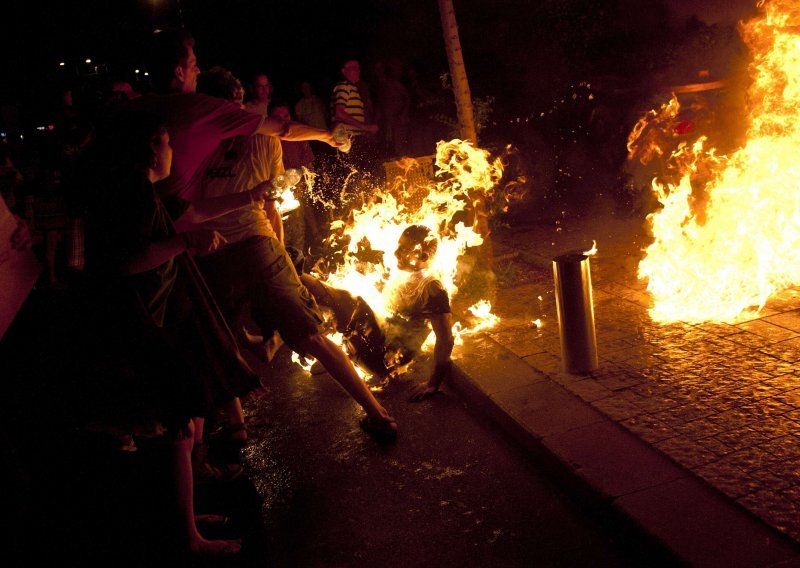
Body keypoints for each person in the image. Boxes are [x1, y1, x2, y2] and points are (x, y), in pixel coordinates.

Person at [187, 67, 398, 441]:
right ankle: (377, 412)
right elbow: (270, 203)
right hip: (255, 244)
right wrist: (280, 251)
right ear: (233, 102)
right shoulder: (261, 137)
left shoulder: (193, 139)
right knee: (311, 334)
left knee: (217, 343)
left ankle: (235, 427)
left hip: (214, 252)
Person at [81, 110, 251, 560]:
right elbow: (128, 261)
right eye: (167, 142)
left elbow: (187, 216)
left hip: (152, 322)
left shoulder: (145, 191)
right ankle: (188, 539)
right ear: (151, 149)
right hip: (135, 325)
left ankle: (185, 520)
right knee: (176, 428)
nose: (173, 148)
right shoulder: (135, 193)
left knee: (183, 423)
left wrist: (246, 199)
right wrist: (185, 243)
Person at [301, 224, 454, 401]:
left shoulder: (432, 287)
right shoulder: (407, 272)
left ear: (423, 255)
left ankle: (292, 272)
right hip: (370, 342)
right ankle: (336, 354)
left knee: (346, 300)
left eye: (404, 249)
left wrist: (432, 384)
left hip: (384, 359)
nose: (396, 253)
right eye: (398, 246)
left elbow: (446, 339)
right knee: (350, 292)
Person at [270, 102, 318, 250]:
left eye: (286, 116)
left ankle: (300, 257)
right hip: (274, 194)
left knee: (297, 235)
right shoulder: (268, 140)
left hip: (296, 190)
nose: (284, 120)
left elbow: (309, 166)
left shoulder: (299, 135)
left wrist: (302, 183)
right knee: (279, 238)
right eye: (278, 117)